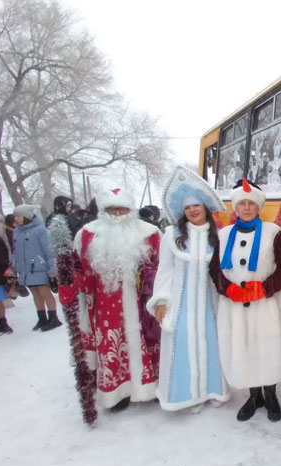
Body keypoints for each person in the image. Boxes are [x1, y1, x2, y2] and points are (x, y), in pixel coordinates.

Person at [59, 188, 161, 412]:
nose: (117, 214)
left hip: (143, 299)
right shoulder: (87, 234)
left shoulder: (149, 232)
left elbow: (161, 266)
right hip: (105, 304)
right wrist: (69, 284)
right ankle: (118, 393)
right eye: (111, 209)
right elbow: (78, 267)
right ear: (103, 211)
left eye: (122, 209)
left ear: (131, 210)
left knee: (150, 340)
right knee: (112, 345)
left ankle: (152, 385)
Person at [209, 179, 281, 422]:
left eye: (251, 204)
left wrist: (264, 288)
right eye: (242, 204)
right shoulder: (224, 235)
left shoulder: (273, 233)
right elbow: (215, 269)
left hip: (266, 305)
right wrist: (229, 290)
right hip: (236, 308)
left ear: (258, 207)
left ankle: (271, 396)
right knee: (245, 349)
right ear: (235, 208)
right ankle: (253, 396)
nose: (247, 208)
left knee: (267, 349)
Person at [148, 167, 230, 413]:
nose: (193, 210)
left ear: (205, 206)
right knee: (184, 346)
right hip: (181, 304)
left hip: (210, 303)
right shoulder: (172, 235)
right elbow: (165, 270)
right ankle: (190, 396)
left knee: (212, 344)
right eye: (187, 208)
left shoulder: (219, 236)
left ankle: (214, 390)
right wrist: (161, 300)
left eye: (196, 205)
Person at [13, 204, 61, 332]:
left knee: (44, 291)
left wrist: (52, 267)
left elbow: (49, 250)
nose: (16, 218)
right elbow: (16, 251)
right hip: (26, 269)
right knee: (35, 292)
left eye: (18, 216)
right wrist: (15, 265)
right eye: (15, 216)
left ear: (27, 216)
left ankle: (53, 317)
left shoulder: (41, 230)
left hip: (39, 267)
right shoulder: (17, 231)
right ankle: (42, 317)